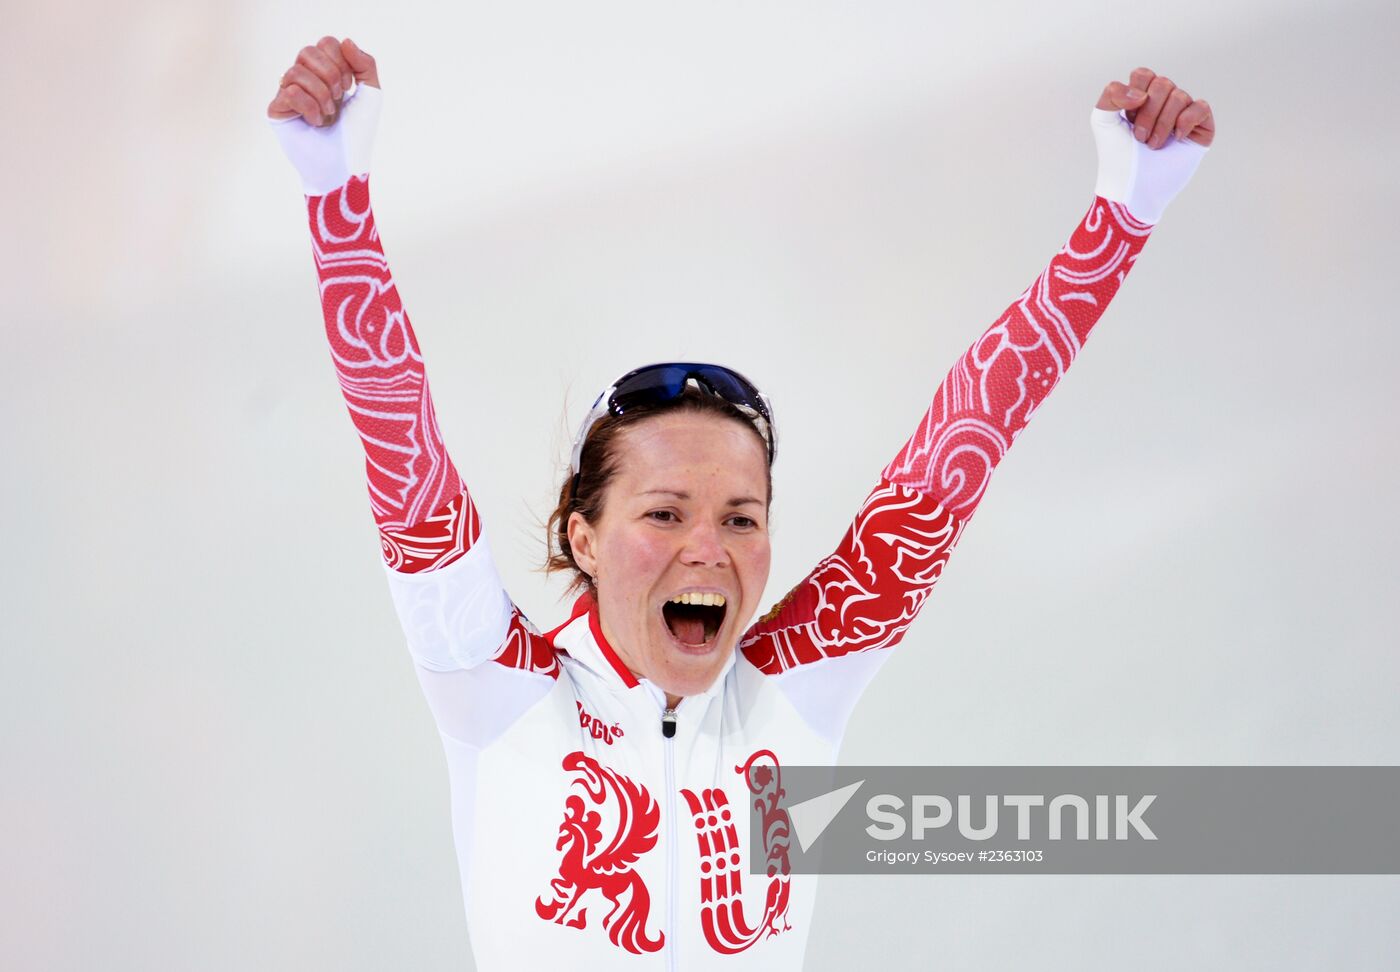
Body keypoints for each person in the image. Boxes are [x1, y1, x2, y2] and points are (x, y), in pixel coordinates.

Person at [268, 35, 1214, 970]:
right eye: (665, 512)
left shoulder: (788, 698)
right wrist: (332, 195)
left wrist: (1124, 212)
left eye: (740, 518)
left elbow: (953, 460)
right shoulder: (504, 691)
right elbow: (401, 440)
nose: (708, 549)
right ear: (583, 537)